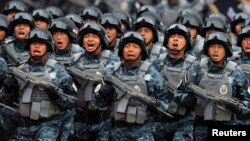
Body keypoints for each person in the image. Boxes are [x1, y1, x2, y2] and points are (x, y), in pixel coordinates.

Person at [1, 28, 76, 140]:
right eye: (33, 43)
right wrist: (8, 88)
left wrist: (56, 97)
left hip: (48, 127)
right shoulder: (19, 70)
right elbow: (5, 100)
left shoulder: (58, 70)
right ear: (28, 46)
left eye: (40, 44)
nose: (36, 46)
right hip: (23, 126)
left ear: (48, 46)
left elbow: (72, 101)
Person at [95, 31, 170, 141]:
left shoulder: (152, 74)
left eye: (135, 47)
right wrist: (102, 93)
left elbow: (165, 106)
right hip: (116, 132)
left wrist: (155, 104)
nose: (130, 50)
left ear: (141, 50)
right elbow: (98, 104)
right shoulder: (110, 71)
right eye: (127, 46)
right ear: (121, 50)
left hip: (144, 133)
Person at [176, 31, 249, 141]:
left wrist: (237, 107)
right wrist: (189, 99)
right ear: (207, 50)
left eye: (219, 47)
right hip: (200, 126)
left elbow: (248, 101)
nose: (215, 50)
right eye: (212, 47)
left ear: (226, 50)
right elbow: (179, 92)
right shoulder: (197, 68)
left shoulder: (236, 71)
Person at [68, 23, 120, 141]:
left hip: (104, 123)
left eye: (94, 36)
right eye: (87, 36)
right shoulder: (74, 60)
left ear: (101, 39)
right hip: (79, 123)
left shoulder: (113, 61)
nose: (90, 39)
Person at [153, 23, 197, 141]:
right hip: (159, 120)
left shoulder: (195, 65)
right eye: (172, 36)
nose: (176, 39)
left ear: (187, 42)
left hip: (183, 121)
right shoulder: (156, 63)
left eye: (180, 37)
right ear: (167, 41)